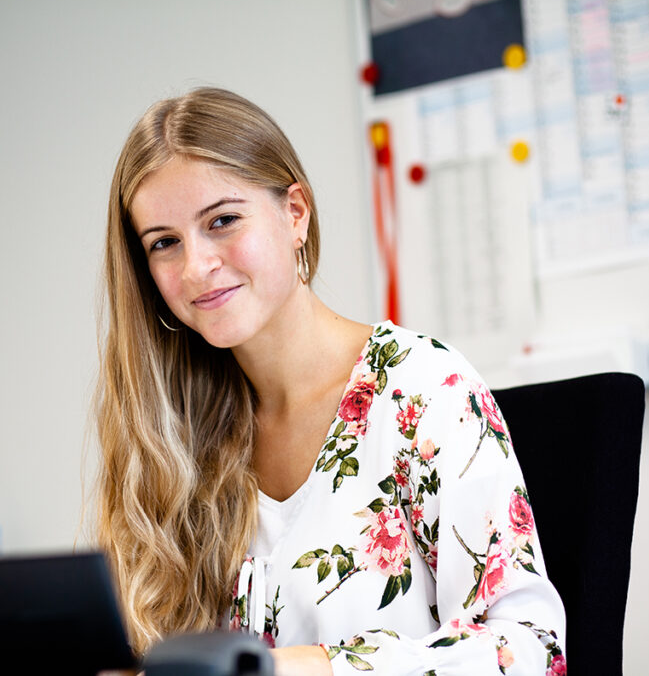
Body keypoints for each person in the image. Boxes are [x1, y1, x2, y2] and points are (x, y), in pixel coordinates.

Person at [95, 87, 566, 675]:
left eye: (222, 221)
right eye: (164, 243)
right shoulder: (169, 432)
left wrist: (306, 669)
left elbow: (528, 651)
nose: (195, 267)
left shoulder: (422, 391)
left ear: (296, 213)